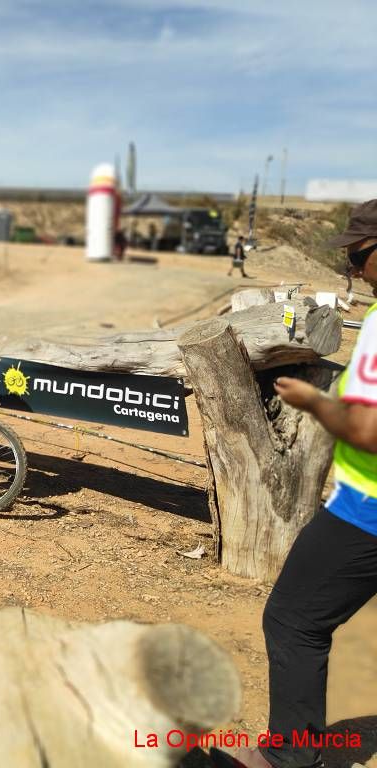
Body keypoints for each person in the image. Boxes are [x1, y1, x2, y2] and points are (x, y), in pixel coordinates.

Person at [228, 199, 377, 768]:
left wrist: (314, 401)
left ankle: (293, 757)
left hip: (367, 509)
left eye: (360, 256)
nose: (355, 271)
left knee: (293, 619)